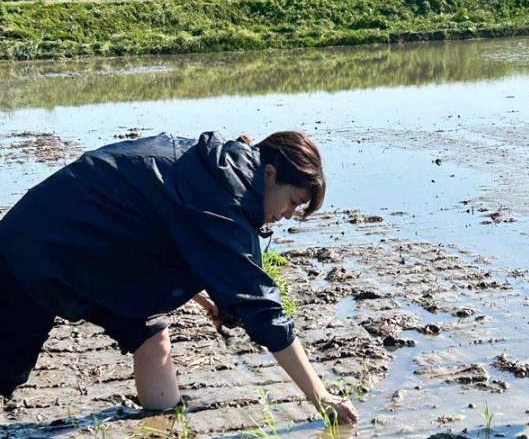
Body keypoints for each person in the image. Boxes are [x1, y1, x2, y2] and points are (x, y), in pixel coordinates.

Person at [0, 130, 358, 424]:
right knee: (6, 366)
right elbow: (264, 311)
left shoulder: (220, 171)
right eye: (293, 201)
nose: (288, 214)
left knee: (150, 333)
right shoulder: (226, 196)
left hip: (101, 248)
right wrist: (321, 397)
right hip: (42, 243)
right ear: (269, 174)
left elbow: (170, 232)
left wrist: (202, 294)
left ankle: (163, 431)